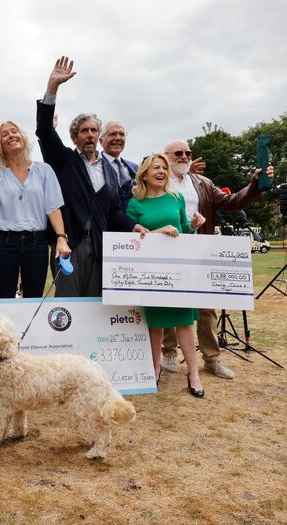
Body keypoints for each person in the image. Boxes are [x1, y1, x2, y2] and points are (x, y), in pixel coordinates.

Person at [160, 139, 274, 380]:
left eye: (188, 153)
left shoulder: (203, 182)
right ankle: (168, 352)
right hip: (168, 250)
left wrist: (255, 183)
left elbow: (230, 202)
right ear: (165, 156)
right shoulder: (157, 180)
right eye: (178, 153)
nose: (184, 156)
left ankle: (211, 358)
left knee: (206, 307)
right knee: (168, 302)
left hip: (200, 250)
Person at [35, 57, 145, 297]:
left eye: (94, 130)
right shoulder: (63, 160)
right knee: (68, 305)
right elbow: (44, 130)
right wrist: (52, 88)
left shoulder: (109, 169)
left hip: (98, 246)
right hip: (69, 245)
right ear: (74, 137)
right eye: (84, 131)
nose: (90, 134)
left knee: (94, 306)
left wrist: (133, 225)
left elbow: (112, 211)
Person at [126, 154, 206, 397]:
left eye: (163, 168)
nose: (161, 171)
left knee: (184, 323)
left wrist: (193, 225)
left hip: (179, 271)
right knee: (155, 323)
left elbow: (184, 230)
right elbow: (131, 240)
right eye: (155, 168)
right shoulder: (135, 204)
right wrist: (157, 232)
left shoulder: (176, 198)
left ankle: (193, 373)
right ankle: (155, 368)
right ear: (144, 175)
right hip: (151, 274)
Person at [0, 114, 70, 298]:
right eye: (4, 134)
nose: (11, 135)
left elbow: (53, 208)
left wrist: (61, 237)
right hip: (5, 243)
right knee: (4, 300)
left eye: (14, 131)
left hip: (36, 242)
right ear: (0, 144)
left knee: (33, 299)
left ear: (23, 137)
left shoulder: (44, 170)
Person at [99, 121, 139, 211]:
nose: (118, 138)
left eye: (122, 134)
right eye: (112, 134)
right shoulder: (94, 167)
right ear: (101, 141)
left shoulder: (134, 168)